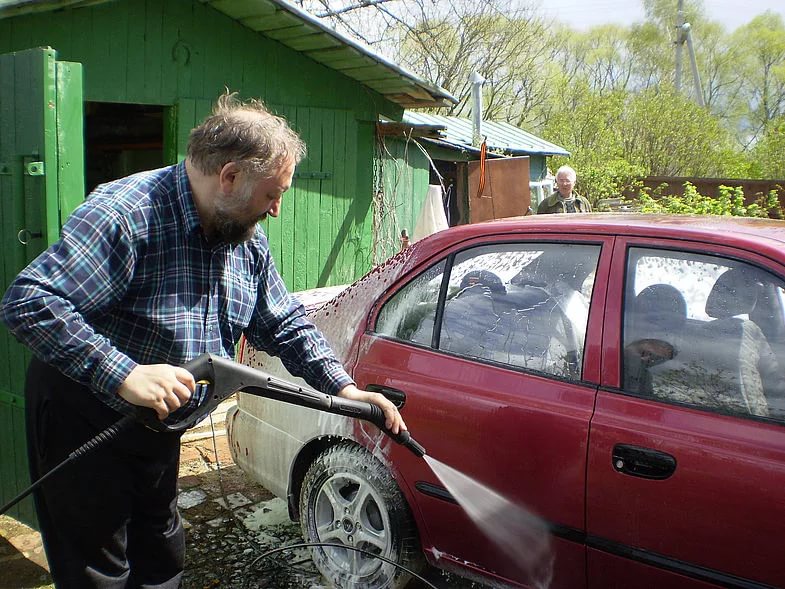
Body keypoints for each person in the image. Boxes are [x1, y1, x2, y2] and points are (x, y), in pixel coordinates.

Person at [0, 92, 406, 589]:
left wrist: (345, 389)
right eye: (272, 194)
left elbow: (284, 323)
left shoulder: (244, 237)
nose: (277, 210)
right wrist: (124, 373)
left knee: (160, 556)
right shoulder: (127, 215)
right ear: (229, 176)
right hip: (86, 413)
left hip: (160, 422)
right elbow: (29, 302)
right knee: (99, 570)